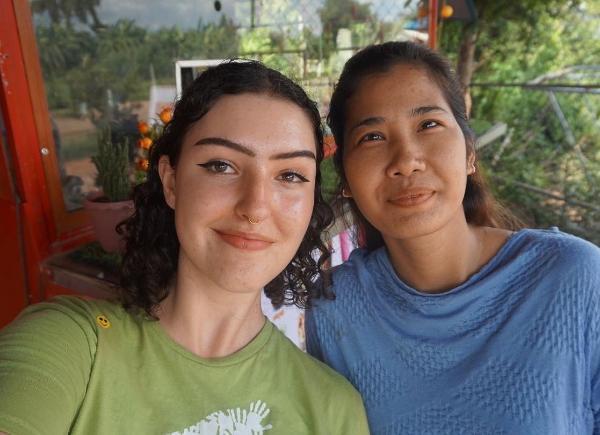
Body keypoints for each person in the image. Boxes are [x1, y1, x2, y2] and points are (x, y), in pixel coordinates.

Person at [0, 60, 369, 435]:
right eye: (222, 166)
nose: (256, 207)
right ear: (171, 182)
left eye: (290, 175)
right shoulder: (71, 346)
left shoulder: (332, 410)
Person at [305, 41, 600, 434]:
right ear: (345, 179)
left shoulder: (573, 278)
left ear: (469, 153)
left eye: (428, 125)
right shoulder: (333, 310)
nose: (406, 160)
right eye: (372, 137)